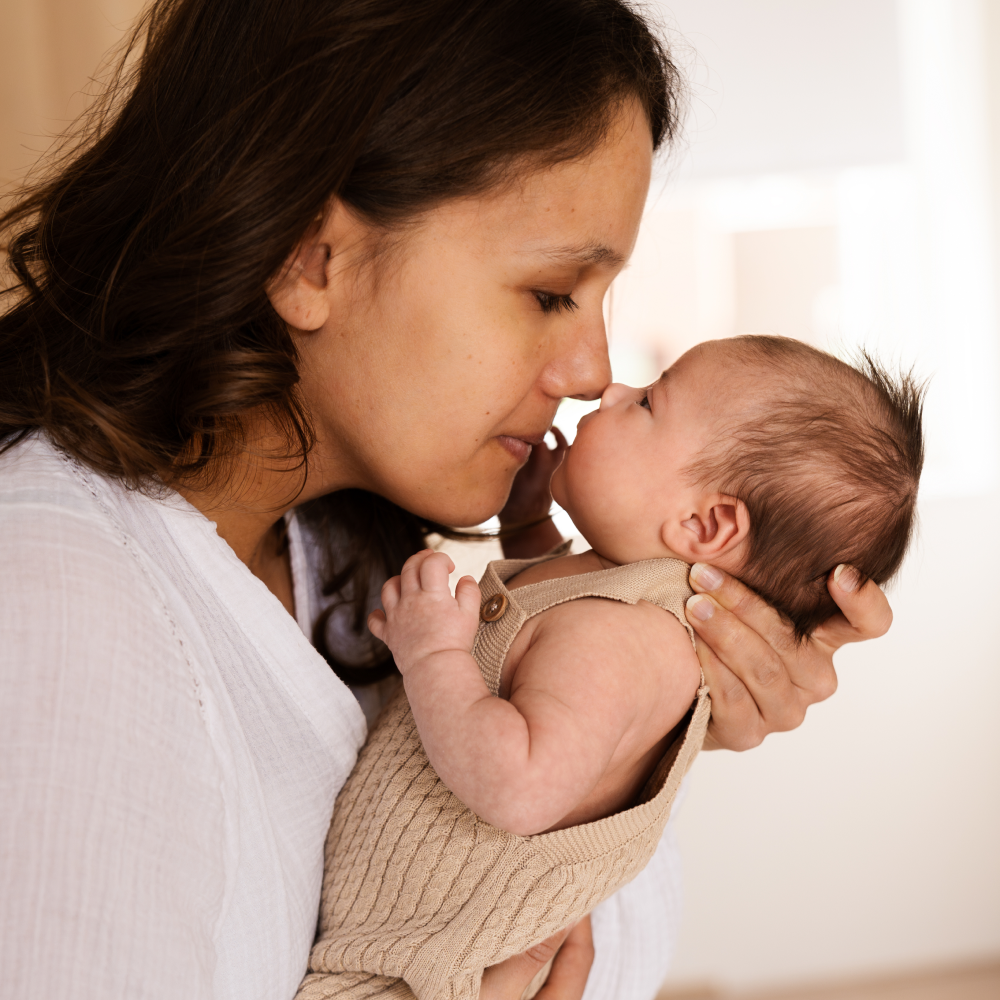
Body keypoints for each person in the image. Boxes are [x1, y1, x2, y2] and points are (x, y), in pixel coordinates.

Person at [0, 2, 893, 999]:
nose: (594, 371)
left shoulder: (343, 563)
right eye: (553, 292)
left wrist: (655, 727)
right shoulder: (60, 606)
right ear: (309, 258)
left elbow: (496, 883)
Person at [299, 335, 924, 1000]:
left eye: (648, 401)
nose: (611, 392)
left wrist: (431, 654)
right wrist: (530, 522)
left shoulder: (627, 643)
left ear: (705, 525)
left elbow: (520, 787)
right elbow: (544, 632)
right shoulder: (621, 601)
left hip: (413, 976)